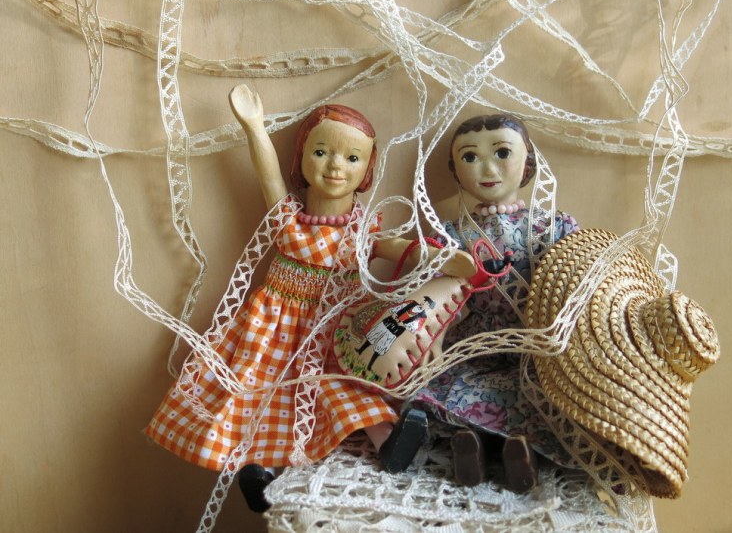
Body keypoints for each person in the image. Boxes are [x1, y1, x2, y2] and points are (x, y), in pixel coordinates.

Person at [145, 85, 473, 512]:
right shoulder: (288, 221)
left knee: (345, 388)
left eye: (352, 158)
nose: (336, 166)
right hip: (274, 326)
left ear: (367, 169)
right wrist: (254, 128)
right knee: (261, 394)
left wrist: (439, 257)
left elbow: (398, 248)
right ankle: (257, 470)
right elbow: (268, 178)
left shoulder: (361, 231)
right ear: (301, 157)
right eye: (321, 152)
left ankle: (391, 441)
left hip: (336, 329)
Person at [389, 113, 580, 493]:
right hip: (471, 347)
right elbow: (435, 293)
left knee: (538, 395)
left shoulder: (553, 228)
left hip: (533, 349)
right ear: (455, 169)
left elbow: (576, 283)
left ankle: (515, 452)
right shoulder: (451, 235)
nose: (487, 168)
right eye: (470, 157)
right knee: (447, 388)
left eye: (502, 153)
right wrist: (433, 336)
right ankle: (472, 446)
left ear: (528, 161)